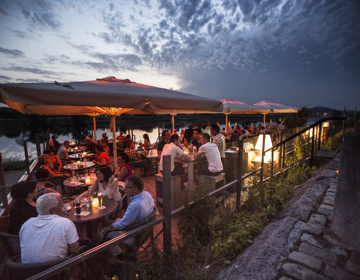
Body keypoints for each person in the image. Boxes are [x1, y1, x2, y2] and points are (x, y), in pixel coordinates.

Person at [100, 175, 155, 260]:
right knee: (117, 221)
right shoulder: (147, 195)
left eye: (127, 187)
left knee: (104, 232)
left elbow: (122, 225)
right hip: (144, 230)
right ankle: (122, 252)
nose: (124, 189)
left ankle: (120, 257)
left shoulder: (135, 205)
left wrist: (112, 226)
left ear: (136, 189)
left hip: (134, 235)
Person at [20, 193, 79, 263]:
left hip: (28, 270)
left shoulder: (27, 224)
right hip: (57, 270)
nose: (63, 206)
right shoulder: (65, 223)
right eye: (61, 205)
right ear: (53, 210)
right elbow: (74, 250)